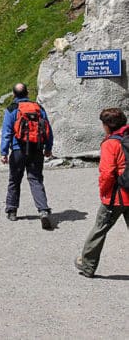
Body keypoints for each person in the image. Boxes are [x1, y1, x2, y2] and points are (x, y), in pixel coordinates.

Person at [74, 108, 129, 278]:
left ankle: (87, 265)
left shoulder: (110, 144)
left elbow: (107, 173)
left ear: (107, 126)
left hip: (117, 196)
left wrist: (104, 193)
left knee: (99, 229)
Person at [0, 83, 53, 229]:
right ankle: (43, 211)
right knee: (36, 179)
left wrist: (4, 152)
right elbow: (48, 129)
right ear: (27, 93)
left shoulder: (11, 109)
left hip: (18, 151)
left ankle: (12, 211)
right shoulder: (38, 108)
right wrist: (48, 148)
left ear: (13, 94)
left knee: (14, 180)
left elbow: (7, 133)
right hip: (36, 150)